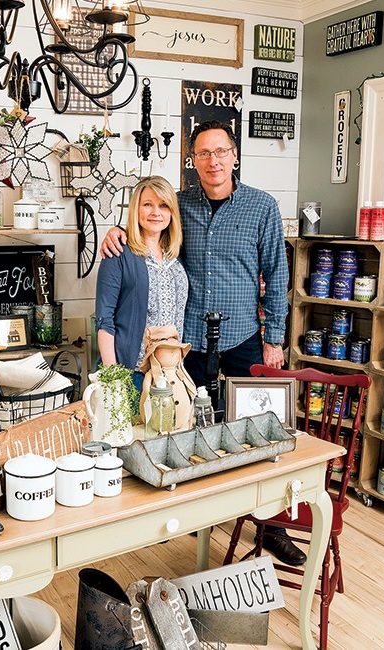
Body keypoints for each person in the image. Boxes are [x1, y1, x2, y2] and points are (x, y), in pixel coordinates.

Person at [100, 121, 305, 567]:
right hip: (185, 344)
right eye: (203, 154)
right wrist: (114, 231)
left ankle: (271, 526)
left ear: (234, 156)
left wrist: (274, 340)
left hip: (245, 339)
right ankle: (189, 517)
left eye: (220, 152)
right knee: (183, 427)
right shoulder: (179, 204)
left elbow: (279, 275)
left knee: (254, 432)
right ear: (192, 161)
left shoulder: (262, 207)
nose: (212, 161)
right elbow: (146, 220)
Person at [95, 175, 187, 392]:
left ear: (172, 212)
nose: (156, 212)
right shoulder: (117, 253)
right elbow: (104, 321)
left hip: (173, 372)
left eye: (164, 206)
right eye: (148, 205)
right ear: (136, 209)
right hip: (133, 374)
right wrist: (115, 380)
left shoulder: (176, 256)